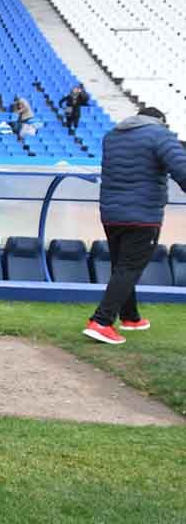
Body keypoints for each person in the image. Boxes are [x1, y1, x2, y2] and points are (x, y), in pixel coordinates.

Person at [84, 106, 186, 345]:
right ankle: (101, 321)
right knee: (129, 268)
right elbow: (181, 168)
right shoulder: (160, 135)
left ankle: (130, 317)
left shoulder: (112, 136)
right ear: (159, 120)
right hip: (143, 214)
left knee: (122, 266)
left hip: (111, 213)